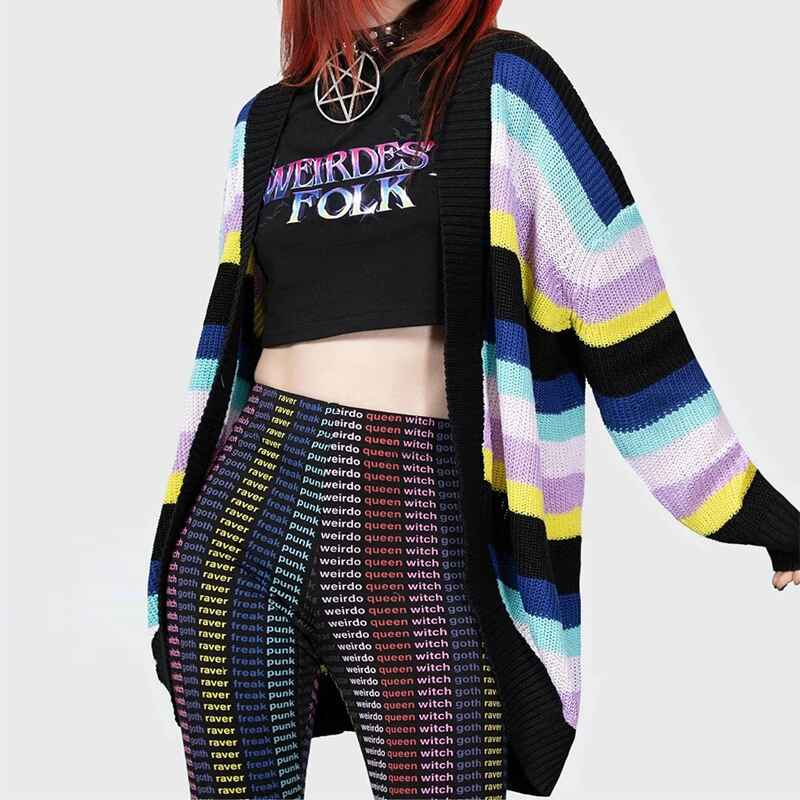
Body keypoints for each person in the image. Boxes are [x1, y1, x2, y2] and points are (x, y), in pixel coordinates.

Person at [146, 1, 800, 798]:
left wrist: (749, 508)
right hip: (240, 515)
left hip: (413, 516)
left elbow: (616, 297)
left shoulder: (504, 83)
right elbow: (228, 348)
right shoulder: (264, 124)